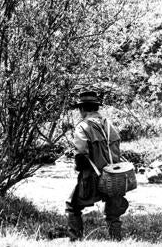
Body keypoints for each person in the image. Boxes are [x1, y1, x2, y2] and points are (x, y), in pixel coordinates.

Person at [66, 90, 129, 242]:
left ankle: (75, 240)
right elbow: (117, 151)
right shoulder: (110, 125)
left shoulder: (82, 127)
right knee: (113, 212)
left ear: (82, 109)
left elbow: (81, 155)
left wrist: (79, 170)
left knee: (72, 206)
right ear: (96, 108)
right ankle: (116, 240)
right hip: (114, 177)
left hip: (93, 177)